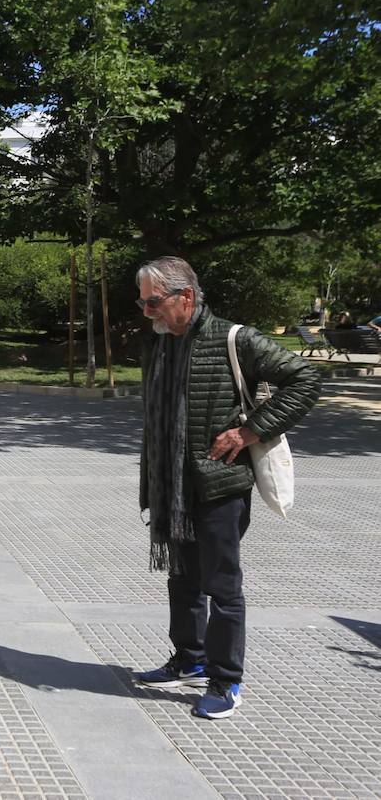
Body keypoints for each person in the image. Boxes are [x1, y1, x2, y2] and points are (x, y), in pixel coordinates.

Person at [134, 256, 320, 720]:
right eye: (142, 302)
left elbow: (305, 377)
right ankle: (190, 658)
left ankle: (225, 680)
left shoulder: (234, 338)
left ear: (186, 297)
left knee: (221, 585)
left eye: (153, 301)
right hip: (173, 488)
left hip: (219, 484)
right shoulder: (159, 345)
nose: (146, 311)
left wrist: (249, 431)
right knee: (183, 578)